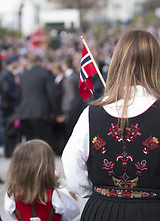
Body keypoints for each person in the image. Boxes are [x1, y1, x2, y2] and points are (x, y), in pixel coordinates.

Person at [62, 29, 160, 221]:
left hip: (103, 210)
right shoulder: (91, 113)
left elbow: (72, 169)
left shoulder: (91, 114)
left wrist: (100, 192)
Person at [4, 139, 80, 221]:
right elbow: (75, 210)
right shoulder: (57, 194)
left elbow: (11, 214)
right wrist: (58, 179)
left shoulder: (11, 194)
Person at [17, 54, 56, 145]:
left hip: (25, 113)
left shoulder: (23, 75)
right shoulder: (45, 73)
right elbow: (51, 94)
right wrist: (56, 111)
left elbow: (19, 96)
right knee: (42, 144)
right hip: (41, 113)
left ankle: (31, 159)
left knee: (29, 144)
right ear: (40, 62)